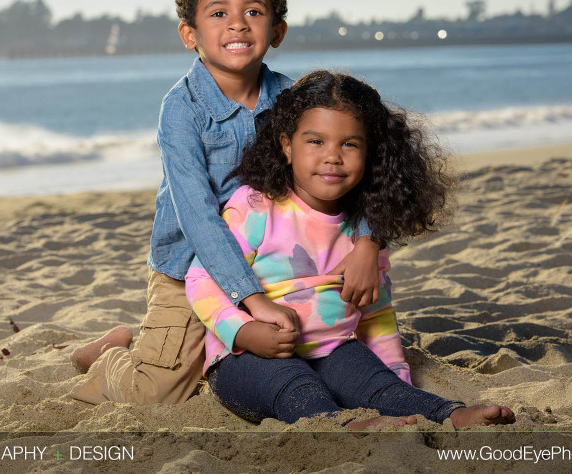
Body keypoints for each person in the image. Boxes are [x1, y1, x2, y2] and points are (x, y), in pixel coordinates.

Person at [71, 0, 383, 405]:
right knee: (156, 393)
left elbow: (347, 170)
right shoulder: (181, 110)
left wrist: (367, 241)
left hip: (272, 255)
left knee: (308, 349)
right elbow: (197, 216)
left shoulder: (293, 100)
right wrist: (251, 300)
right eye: (218, 13)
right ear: (189, 33)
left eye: (253, 11)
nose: (237, 23)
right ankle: (110, 353)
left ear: (276, 31)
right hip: (189, 268)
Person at [186, 71, 516, 428]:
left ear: (369, 152)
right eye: (315, 142)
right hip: (246, 359)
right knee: (297, 386)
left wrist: (394, 376)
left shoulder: (365, 234)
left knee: (377, 385)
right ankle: (339, 427)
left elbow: (375, 313)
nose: (333, 157)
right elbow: (203, 279)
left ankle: (449, 413)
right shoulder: (255, 208)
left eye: (349, 144)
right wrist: (243, 331)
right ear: (286, 145)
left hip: (334, 350)